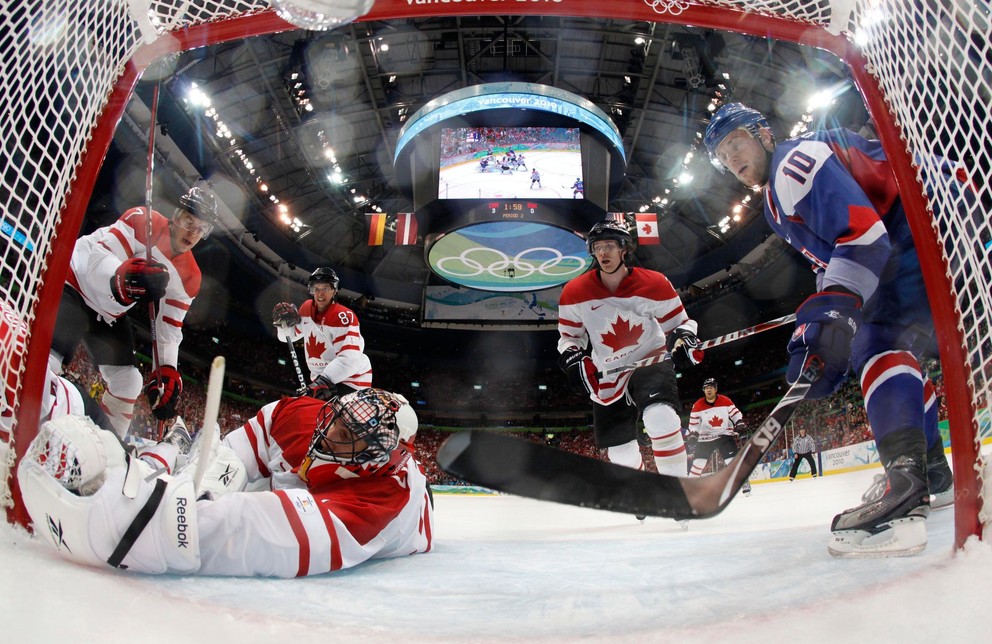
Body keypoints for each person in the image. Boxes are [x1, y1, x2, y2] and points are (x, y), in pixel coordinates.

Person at [704, 102, 956, 557]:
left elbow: (862, 236)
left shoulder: (791, 162)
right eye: (722, 156)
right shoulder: (774, 202)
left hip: (932, 218)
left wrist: (836, 313)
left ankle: (908, 483)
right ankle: (930, 473)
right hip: (925, 226)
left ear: (762, 132)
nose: (731, 159)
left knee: (874, 341)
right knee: (880, 345)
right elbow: (834, 259)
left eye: (735, 142)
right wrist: (825, 316)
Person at [17, 387, 434, 577]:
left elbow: (253, 532)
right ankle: (175, 449)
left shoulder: (381, 504)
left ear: (383, 459)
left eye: (356, 437)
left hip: (397, 517)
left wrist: (157, 515)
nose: (336, 433)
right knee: (228, 476)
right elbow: (243, 445)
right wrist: (213, 482)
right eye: (339, 418)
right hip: (321, 486)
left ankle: (170, 453)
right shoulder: (304, 416)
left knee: (259, 499)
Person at [48, 187, 219, 438]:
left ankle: (107, 448)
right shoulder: (141, 219)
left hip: (108, 312)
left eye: (201, 228)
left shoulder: (190, 277)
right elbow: (97, 259)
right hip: (74, 282)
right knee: (50, 359)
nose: (193, 232)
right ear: (176, 216)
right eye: (189, 221)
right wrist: (124, 278)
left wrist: (167, 371)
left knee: (128, 382)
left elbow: (169, 331)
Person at [557, 219, 703, 488]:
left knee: (661, 418)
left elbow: (680, 324)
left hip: (650, 358)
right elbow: (569, 338)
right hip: (608, 372)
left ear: (624, 249)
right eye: (598, 247)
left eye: (610, 246)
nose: (603, 253)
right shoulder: (574, 292)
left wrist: (685, 338)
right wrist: (574, 358)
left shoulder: (655, 283)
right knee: (620, 451)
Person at [271, 267, 373, 400]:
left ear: (334, 290)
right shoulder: (307, 308)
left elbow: (350, 360)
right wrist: (283, 323)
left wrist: (322, 382)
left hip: (351, 381)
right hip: (322, 382)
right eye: (316, 289)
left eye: (325, 288)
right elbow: (288, 337)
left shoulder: (343, 316)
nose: (320, 294)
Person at [686, 378, 751, 495]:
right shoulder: (698, 405)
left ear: (715, 389)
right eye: (706, 388)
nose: (708, 390)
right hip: (705, 437)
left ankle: (744, 482)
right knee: (698, 463)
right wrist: (693, 434)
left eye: (710, 387)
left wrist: (739, 422)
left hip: (723, 435)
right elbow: (694, 423)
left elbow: (735, 413)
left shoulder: (725, 400)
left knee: (732, 461)